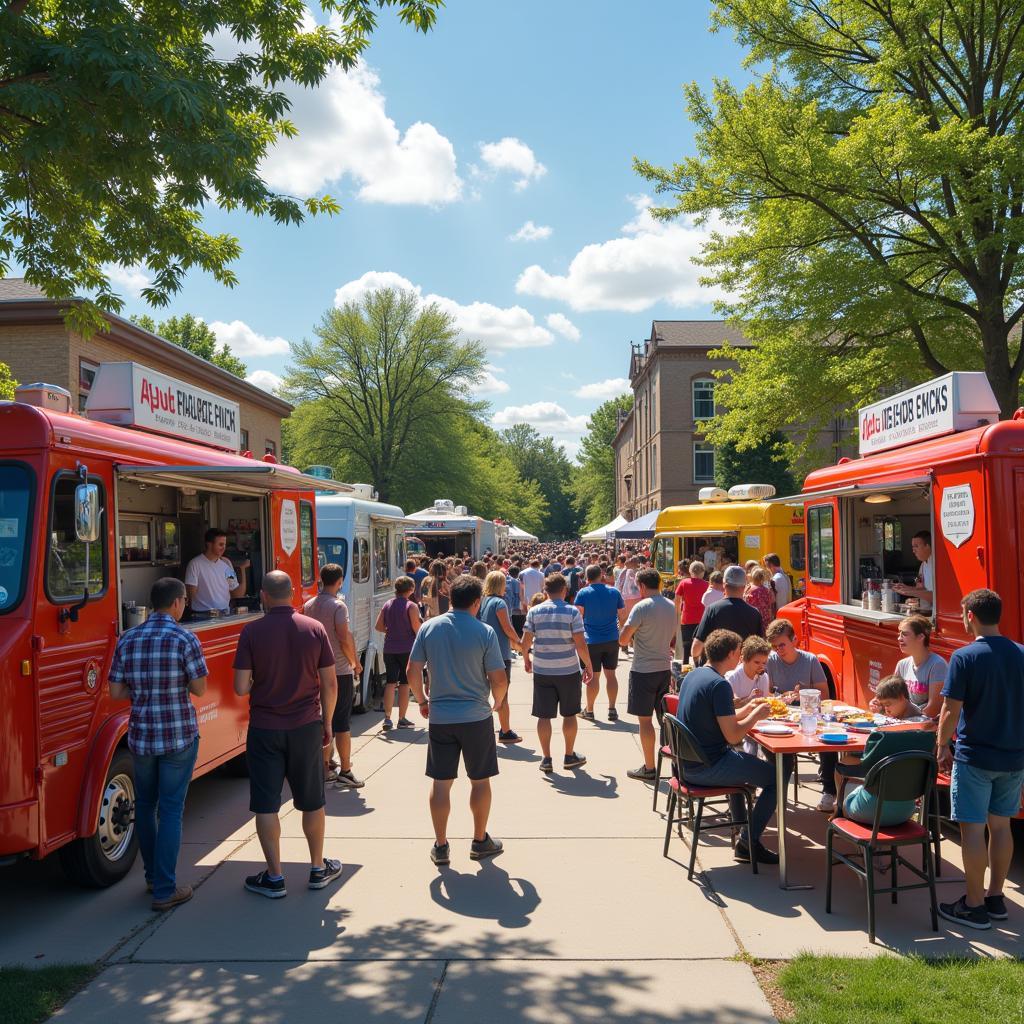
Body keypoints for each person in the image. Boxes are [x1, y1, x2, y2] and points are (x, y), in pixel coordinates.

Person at [233, 571, 341, 898]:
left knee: (266, 805)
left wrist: (260, 684)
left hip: (265, 728)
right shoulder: (315, 629)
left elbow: (240, 687)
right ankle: (318, 868)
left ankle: (275, 877)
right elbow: (330, 684)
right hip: (306, 725)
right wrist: (328, 724)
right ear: (293, 592)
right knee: (312, 801)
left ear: (263, 595)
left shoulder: (251, 631)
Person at [108, 577, 208, 911]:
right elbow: (200, 689)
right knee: (171, 812)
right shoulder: (184, 638)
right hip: (178, 736)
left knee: (146, 808)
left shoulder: (128, 638)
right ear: (178, 602)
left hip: (141, 737)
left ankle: (152, 878)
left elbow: (117, 693)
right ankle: (165, 890)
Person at [936, 588, 1024, 931]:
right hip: (1013, 757)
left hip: (975, 757)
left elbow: (950, 709)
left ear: (970, 615)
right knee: (1001, 826)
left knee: (972, 829)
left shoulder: (965, 656)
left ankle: (973, 907)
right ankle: (995, 898)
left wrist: (942, 745)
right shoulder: (1020, 654)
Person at [407, 575, 509, 865]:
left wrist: (423, 700)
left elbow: (412, 671)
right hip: (476, 717)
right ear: (477, 602)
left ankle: (440, 845)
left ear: (450, 598)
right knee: (480, 781)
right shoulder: (485, 632)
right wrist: (498, 702)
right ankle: (479, 840)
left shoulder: (429, 628)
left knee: (441, 783)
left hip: (441, 717)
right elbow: (498, 678)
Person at [676, 629, 779, 865]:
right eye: (739, 651)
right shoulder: (720, 685)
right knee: (776, 778)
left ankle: (743, 829)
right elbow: (733, 735)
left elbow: (726, 717)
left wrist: (752, 707)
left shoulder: (696, 675)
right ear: (732, 653)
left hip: (687, 763)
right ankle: (747, 842)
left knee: (753, 767)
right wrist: (756, 715)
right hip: (707, 766)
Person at [764, 618, 838, 813]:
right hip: (780, 716)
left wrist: (803, 691)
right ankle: (775, 791)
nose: (778, 650)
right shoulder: (770, 661)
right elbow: (766, 692)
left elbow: (825, 694)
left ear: (794, 640)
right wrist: (780, 697)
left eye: (782, 645)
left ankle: (829, 790)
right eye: (775, 646)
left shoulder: (810, 660)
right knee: (774, 748)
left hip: (808, 713)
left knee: (827, 740)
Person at [522, 573, 593, 773]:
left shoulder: (534, 611)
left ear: (545, 590)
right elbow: (580, 644)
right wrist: (588, 666)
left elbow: (525, 642)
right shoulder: (572, 612)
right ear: (564, 590)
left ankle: (546, 758)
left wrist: (527, 659)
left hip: (543, 670)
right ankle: (569, 755)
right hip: (568, 671)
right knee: (569, 714)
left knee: (544, 716)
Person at [303, 564, 364, 790]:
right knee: (341, 723)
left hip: (315, 671)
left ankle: (325, 767)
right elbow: (344, 637)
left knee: (322, 720)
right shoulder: (339, 606)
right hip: (338, 671)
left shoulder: (308, 605)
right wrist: (354, 662)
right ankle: (345, 770)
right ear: (339, 581)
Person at [619, 568, 678, 782]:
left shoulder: (641, 607)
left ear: (642, 586)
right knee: (665, 721)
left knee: (645, 722)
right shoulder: (671, 606)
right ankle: (674, 764)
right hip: (664, 668)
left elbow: (623, 640)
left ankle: (650, 767)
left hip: (643, 670)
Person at [575, 562, 626, 722]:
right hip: (611, 638)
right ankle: (612, 709)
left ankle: (589, 710)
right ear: (601, 575)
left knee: (593, 676)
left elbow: (578, 616)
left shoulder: (582, 593)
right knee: (611, 675)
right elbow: (622, 616)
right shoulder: (614, 592)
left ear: (586, 577)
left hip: (591, 640)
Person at [480, 570, 523, 743]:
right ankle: (505, 731)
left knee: (484, 692)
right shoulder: (500, 603)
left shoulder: (483, 602)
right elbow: (507, 627)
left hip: (483, 651)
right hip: (500, 653)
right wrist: (519, 642)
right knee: (502, 694)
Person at [374, 576, 422, 731]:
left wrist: (391, 631)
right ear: (410, 589)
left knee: (390, 682)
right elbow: (417, 628)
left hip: (389, 648)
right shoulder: (411, 606)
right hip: (407, 648)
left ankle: (387, 718)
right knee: (405, 683)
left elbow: (378, 626)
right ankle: (402, 718)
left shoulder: (387, 604)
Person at [690, 565, 764, 664]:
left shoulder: (712, 609)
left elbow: (696, 648)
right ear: (745, 586)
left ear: (724, 585)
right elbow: (759, 649)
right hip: (741, 671)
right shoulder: (755, 613)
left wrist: (697, 662)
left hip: (716, 671)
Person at [184, 527, 249, 617]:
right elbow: (191, 595)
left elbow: (237, 594)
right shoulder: (194, 564)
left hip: (225, 614)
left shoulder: (226, 564)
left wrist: (242, 569)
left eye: (225, 545)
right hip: (202, 615)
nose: (224, 548)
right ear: (209, 544)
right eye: (220, 544)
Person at [892, 615, 947, 718]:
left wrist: (906, 719)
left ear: (921, 637)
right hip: (905, 721)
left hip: (926, 727)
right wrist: (878, 702)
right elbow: (891, 695)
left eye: (905, 634)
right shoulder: (902, 664)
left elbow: (934, 709)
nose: (899, 638)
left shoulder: (937, 665)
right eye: (899, 634)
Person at [674, 560, 709, 665]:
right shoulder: (707, 585)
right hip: (702, 619)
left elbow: (677, 600)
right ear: (703, 572)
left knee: (686, 644)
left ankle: (685, 666)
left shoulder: (683, 583)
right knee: (702, 645)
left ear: (690, 571)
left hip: (687, 617)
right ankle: (701, 666)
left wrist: (678, 613)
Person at [894, 530, 934, 612]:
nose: (913, 551)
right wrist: (906, 587)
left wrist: (909, 592)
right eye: (912, 547)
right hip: (925, 610)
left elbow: (936, 596)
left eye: (916, 546)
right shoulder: (922, 566)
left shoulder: (938, 566)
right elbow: (919, 585)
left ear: (928, 546)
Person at [744, 567, 775, 631]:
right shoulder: (765, 590)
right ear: (763, 578)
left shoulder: (748, 589)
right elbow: (770, 606)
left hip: (750, 618)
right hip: (764, 619)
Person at [505, 565, 526, 637]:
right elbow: (521, 596)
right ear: (518, 573)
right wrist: (524, 608)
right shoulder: (518, 582)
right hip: (517, 609)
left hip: (509, 608)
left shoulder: (505, 581)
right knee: (519, 629)